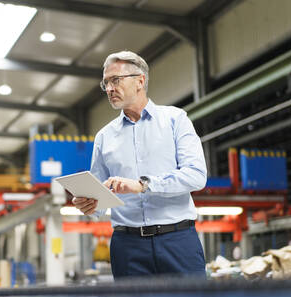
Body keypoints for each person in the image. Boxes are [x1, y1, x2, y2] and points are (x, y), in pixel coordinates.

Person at [73, 50, 207, 278]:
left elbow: (196, 175)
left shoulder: (175, 120)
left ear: (140, 81)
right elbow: (101, 197)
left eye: (115, 80)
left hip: (177, 241)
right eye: (105, 83)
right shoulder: (104, 137)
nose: (109, 89)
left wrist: (144, 185)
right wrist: (90, 204)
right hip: (127, 248)